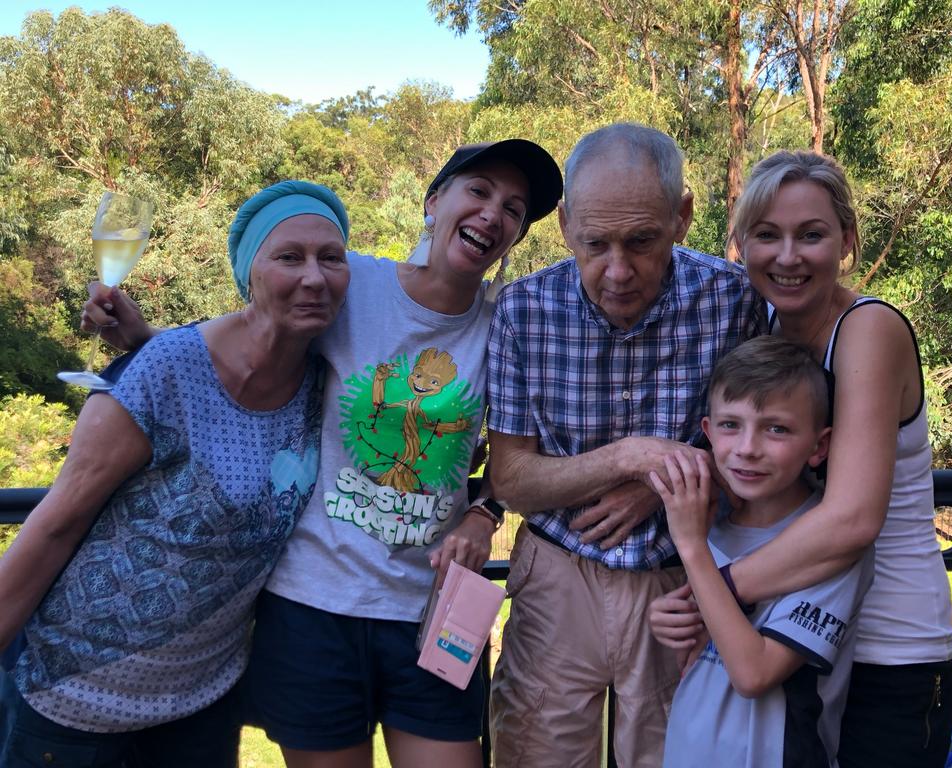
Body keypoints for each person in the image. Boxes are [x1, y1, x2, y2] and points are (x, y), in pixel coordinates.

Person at [83, 140, 564, 768]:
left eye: (514, 208)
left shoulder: (508, 324)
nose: (493, 214)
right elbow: (249, 349)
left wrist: (483, 514)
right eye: (478, 190)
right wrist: (145, 339)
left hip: (434, 611)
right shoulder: (349, 281)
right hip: (313, 607)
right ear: (434, 202)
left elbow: (519, 457)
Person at [0, 180, 351, 767]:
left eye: (330, 258)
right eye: (289, 257)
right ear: (250, 273)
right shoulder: (167, 368)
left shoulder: (326, 379)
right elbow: (55, 523)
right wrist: (145, 350)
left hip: (200, 706)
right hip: (73, 698)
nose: (313, 277)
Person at [657, 150, 952, 767]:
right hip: (794, 645)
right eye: (768, 235)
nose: (788, 256)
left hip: (887, 649)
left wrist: (712, 593)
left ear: (846, 240)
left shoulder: (867, 330)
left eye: (811, 235)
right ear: (740, 244)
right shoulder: (766, 331)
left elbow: (851, 519)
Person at [486, 123, 765, 767]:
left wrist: (656, 481)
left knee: (677, 756)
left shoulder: (733, 301)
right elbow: (512, 479)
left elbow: (766, 448)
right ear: (564, 227)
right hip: (557, 574)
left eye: (642, 241)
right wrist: (630, 456)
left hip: (684, 581)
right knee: (536, 755)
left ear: (682, 216)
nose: (617, 271)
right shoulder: (522, 311)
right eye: (595, 244)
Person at [650, 336, 872, 767]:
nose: (748, 447)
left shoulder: (829, 545)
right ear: (709, 433)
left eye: (777, 428)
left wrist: (692, 548)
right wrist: (668, 618)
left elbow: (755, 674)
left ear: (818, 446)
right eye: (731, 425)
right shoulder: (709, 521)